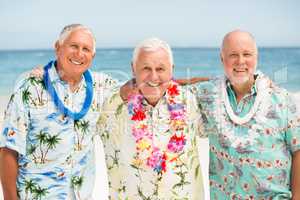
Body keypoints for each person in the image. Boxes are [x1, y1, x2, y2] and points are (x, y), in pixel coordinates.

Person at [0, 24, 117, 200]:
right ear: (58, 47)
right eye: (73, 46)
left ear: (92, 56)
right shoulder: (30, 88)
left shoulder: (101, 86)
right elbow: (8, 150)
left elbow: (137, 87)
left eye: (86, 49)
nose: (79, 54)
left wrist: (169, 79)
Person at [195, 30, 300, 199]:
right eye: (233, 55)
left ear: (256, 57)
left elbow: (298, 150)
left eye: (247, 54)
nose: (240, 61)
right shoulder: (208, 95)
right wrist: (140, 82)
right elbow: (169, 88)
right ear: (222, 59)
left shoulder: (282, 99)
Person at [97, 38, 205, 199]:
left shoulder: (191, 102)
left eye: (160, 69)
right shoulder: (111, 106)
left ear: (171, 70)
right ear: (133, 69)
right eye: (146, 68)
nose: (153, 77)